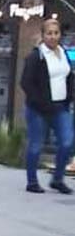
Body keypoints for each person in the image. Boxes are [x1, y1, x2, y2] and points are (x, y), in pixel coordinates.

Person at [19, 18, 74, 195]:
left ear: (60, 35)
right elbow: (26, 82)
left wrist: (69, 96)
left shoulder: (63, 53)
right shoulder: (37, 56)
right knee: (36, 144)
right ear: (43, 36)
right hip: (39, 109)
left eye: (56, 33)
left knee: (67, 142)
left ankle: (57, 179)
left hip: (60, 107)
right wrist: (40, 102)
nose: (52, 37)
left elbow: (69, 77)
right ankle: (32, 181)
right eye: (49, 33)